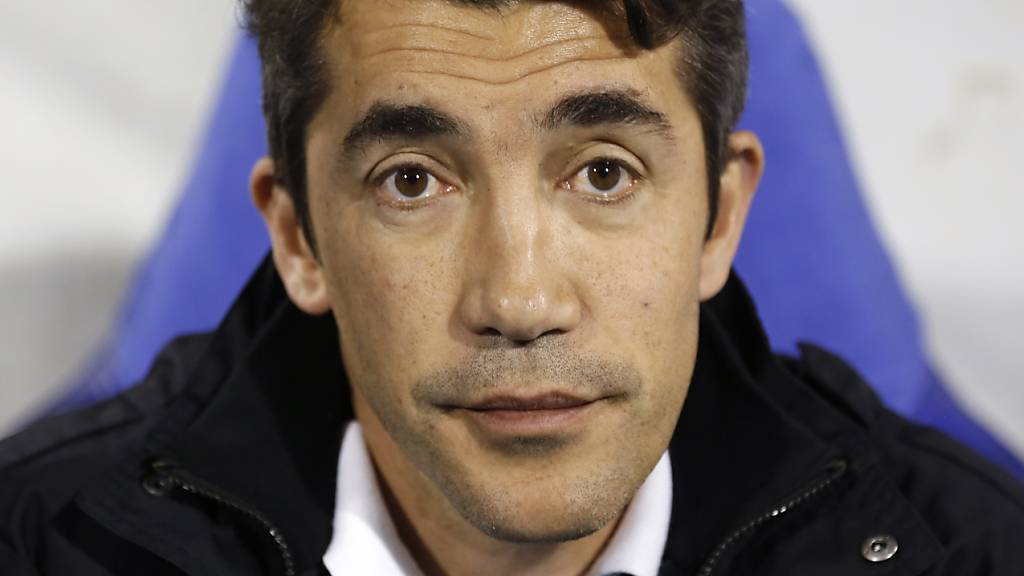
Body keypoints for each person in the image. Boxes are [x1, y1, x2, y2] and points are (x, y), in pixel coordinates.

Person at [2, 0, 1023, 574]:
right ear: (298, 237)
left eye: (604, 173)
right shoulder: (34, 543)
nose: (521, 303)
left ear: (718, 220)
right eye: (412, 182)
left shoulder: (976, 551)